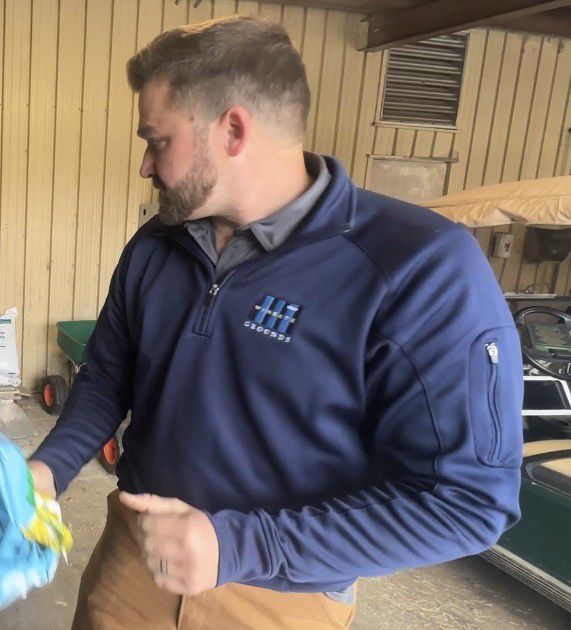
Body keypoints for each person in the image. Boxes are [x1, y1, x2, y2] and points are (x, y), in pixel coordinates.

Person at [27, 16, 522, 630]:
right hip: (135, 560)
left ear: (234, 129)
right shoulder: (156, 246)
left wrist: (238, 547)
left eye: (157, 141)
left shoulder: (419, 267)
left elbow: (467, 503)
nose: (145, 168)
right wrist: (47, 470)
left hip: (282, 595)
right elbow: (106, 376)